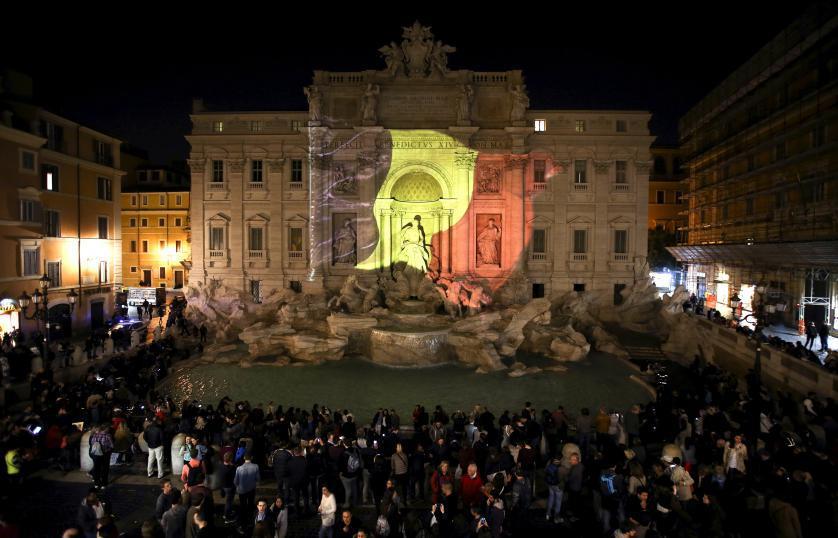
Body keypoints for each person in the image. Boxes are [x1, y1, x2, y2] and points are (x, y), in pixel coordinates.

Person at [235, 454, 260, 522]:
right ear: (251, 457)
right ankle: (250, 517)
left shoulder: (239, 468)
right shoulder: (256, 466)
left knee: (242, 504)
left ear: (244, 458)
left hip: (241, 490)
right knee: (250, 503)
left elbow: (236, 481)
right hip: (251, 488)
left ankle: (243, 518)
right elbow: (258, 478)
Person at [88, 424, 114, 489]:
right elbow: (111, 446)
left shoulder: (95, 435)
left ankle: (96, 484)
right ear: (105, 429)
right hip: (105, 454)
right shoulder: (107, 436)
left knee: (96, 468)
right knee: (105, 469)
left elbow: (91, 443)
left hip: (96, 454)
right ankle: (104, 484)